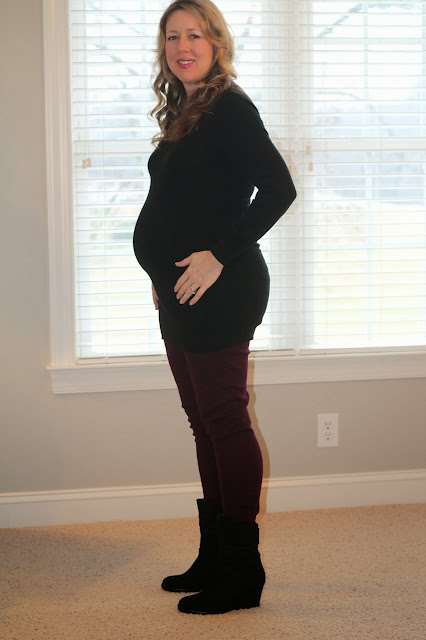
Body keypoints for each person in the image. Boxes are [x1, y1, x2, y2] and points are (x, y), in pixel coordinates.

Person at [133, 0, 296, 615]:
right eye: (172, 36)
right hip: (179, 292)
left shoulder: (229, 107)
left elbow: (278, 188)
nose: (183, 46)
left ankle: (242, 572)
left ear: (216, 42)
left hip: (219, 289)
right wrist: (159, 269)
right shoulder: (188, 110)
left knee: (225, 419)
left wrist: (216, 257)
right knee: (204, 422)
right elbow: (185, 203)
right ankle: (214, 556)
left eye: (195, 35)